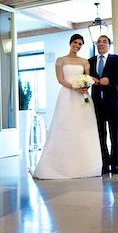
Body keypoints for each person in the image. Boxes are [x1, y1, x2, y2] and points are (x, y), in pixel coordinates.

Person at [31, 34, 102, 179]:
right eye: (75, 42)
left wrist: (84, 86)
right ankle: (60, 166)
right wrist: (74, 87)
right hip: (66, 96)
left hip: (82, 97)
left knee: (83, 129)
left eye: (80, 43)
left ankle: (86, 166)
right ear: (70, 43)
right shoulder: (60, 60)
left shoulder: (84, 61)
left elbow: (87, 78)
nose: (77, 45)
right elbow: (60, 79)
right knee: (65, 127)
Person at [89, 35, 118, 175]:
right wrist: (91, 79)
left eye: (104, 41)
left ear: (109, 45)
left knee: (114, 134)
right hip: (97, 104)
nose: (101, 44)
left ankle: (115, 164)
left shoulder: (116, 59)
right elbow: (85, 77)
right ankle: (104, 164)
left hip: (113, 104)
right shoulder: (91, 61)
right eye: (98, 42)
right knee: (101, 134)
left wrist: (110, 80)